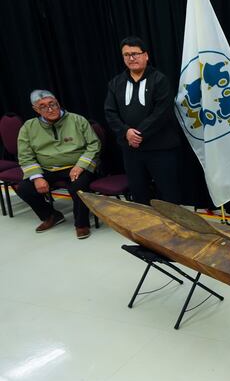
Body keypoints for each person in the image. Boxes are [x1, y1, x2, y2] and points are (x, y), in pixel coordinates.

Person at [104, 36, 181, 205]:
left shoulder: (160, 80)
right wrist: (126, 132)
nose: (131, 58)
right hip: (131, 150)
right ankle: (147, 229)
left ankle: (175, 228)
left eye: (135, 54)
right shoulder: (115, 83)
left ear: (145, 55)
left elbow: (162, 112)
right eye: (126, 55)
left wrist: (138, 134)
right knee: (138, 192)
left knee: (168, 192)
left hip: (161, 148)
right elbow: (110, 112)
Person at [16, 90, 101, 239]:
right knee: (24, 188)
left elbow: (94, 145)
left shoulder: (77, 120)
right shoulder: (28, 127)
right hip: (47, 168)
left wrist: (80, 165)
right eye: (42, 107)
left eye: (52, 104)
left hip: (76, 165)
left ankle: (81, 224)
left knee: (78, 187)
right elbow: (25, 155)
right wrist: (37, 177)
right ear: (35, 109)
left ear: (58, 103)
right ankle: (51, 216)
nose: (50, 109)